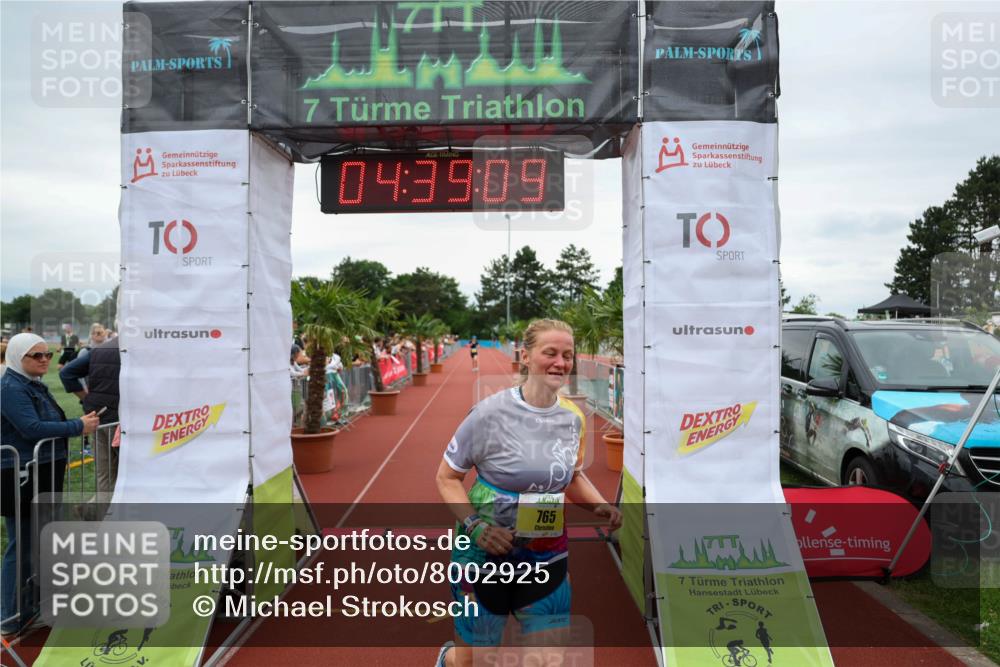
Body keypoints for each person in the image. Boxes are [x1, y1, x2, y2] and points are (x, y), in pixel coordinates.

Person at [435, 319, 622, 667]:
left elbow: (571, 476)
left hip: (545, 553)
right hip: (483, 553)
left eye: (567, 355)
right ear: (526, 357)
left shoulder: (573, 418)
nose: (560, 363)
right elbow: (447, 477)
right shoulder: (489, 414)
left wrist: (600, 506)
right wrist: (476, 526)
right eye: (549, 352)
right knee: (474, 661)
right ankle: (449, 660)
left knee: (547, 659)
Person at [1, 333, 99, 635]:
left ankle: (28, 608)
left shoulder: (31, 384)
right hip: (22, 471)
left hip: (41, 468)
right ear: (19, 357)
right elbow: (31, 428)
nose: (45, 360)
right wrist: (77, 426)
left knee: (37, 540)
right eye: (36, 355)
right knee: (23, 541)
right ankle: (10, 615)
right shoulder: (11, 387)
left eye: (47, 355)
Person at [59, 336, 121, 495]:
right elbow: (66, 373)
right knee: (129, 476)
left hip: (98, 417)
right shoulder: (142, 349)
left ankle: (94, 513)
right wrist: (86, 398)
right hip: (121, 422)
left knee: (105, 476)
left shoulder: (99, 350)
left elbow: (66, 372)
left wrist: (88, 400)